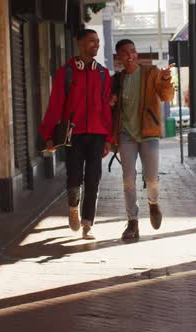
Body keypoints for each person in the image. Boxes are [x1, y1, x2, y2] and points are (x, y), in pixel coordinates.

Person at [39, 29, 112, 240]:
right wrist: (48, 134)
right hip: (73, 133)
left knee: (94, 178)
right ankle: (73, 207)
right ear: (79, 43)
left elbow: (106, 108)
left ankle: (88, 223)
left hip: (97, 133)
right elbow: (55, 105)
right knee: (74, 176)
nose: (96, 45)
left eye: (98, 41)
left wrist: (108, 138)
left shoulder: (102, 73)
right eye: (91, 41)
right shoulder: (67, 72)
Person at [111, 39, 174, 240]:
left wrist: (165, 79)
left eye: (133, 51)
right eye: (125, 52)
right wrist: (111, 102)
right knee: (128, 179)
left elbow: (167, 96)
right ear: (118, 58)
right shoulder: (117, 79)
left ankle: (153, 203)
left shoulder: (151, 72)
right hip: (126, 135)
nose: (130, 55)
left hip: (149, 133)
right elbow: (111, 106)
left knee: (152, 179)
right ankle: (132, 222)